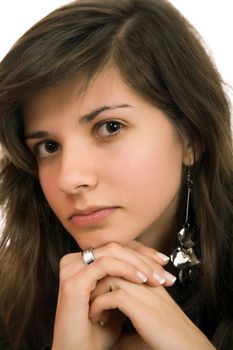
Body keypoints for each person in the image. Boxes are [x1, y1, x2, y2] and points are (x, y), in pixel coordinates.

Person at [0, 0, 232, 349]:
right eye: (48, 146)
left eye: (109, 127)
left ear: (192, 137)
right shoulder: (11, 308)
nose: (69, 178)